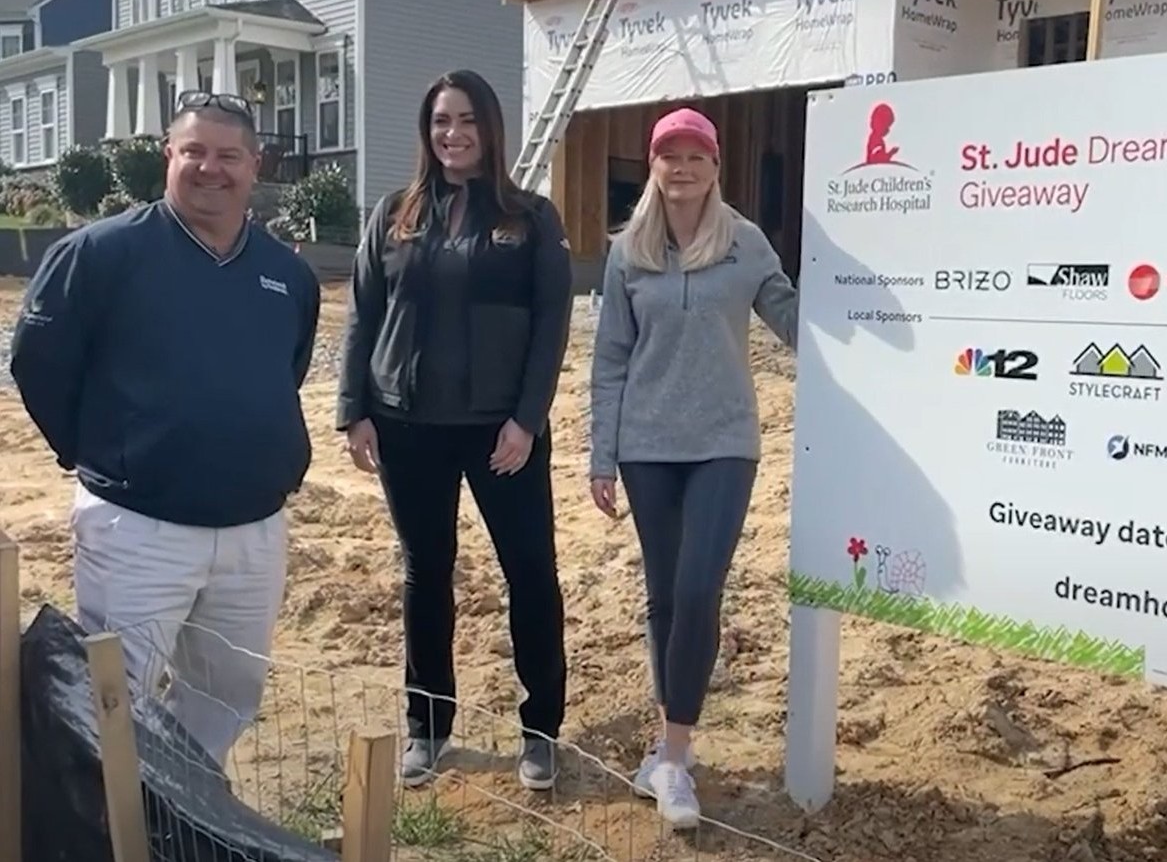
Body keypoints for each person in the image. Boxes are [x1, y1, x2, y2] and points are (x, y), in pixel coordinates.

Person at [9, 91, 321, 767]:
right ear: (167, 156)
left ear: (255, 164)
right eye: (194, 151)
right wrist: (100, 452)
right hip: (137, 529)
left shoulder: (287, 275)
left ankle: (185, 809)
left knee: (226, 696)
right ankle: (100, 816)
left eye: (228, 155)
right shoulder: (100, 254)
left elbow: (285, 372)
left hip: (254, 532)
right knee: (113, 700)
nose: (211, 168)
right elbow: (38, 363)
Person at [335, 70, 573, 790]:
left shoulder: (531, 218)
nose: (453, 133)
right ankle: (427, 725)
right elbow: (362, 313)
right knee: (425, 572)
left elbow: (551, 326)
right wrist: (354, 409)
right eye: (441, 120)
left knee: (529, 572)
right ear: (427, 130)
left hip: (501, 433)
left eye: (467, 120)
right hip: (406, 427)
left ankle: (540, 731)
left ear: (489, 128)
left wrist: (526, 420)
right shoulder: (393, 213)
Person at [587, 107, 799, 827]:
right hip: (646, 447)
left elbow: (793, 321)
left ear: (715, 168)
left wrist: (856, 304)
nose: (682, 168)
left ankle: (674, 759)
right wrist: (602, 455)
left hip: (723, 444)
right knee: (665, 598)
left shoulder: (744, 243)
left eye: (695, 157)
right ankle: (669, 740)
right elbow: (610, 359)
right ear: (653, 166)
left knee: (699, 588)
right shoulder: (629, 251)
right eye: (668, 156)